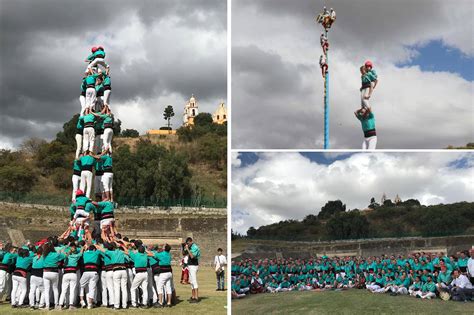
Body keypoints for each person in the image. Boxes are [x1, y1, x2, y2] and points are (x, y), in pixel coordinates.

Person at [42, 242, 66, 310]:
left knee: (46, 290)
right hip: (54, 272)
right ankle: (56, 304)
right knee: (55, 289)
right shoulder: (57, 254)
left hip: (46, 272)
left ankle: (47, 306)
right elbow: (64, 256)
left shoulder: (44, 255)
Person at [58, 243, 83, 309]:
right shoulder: (76, 256)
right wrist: (82, 247)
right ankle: (71, 305)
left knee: (63, 290)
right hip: (73, 274)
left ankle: (60, 304)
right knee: (72, 290)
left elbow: (63, 251)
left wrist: (68, 246)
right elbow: (81, 253)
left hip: (66, 273)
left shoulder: (66, 256)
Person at [185, 237, 200, 303]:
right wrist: (185, 248)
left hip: (194, 265)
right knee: (191, 281)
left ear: (191, 241)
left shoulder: (195, 247)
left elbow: (192, 256)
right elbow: (184, 253)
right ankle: (193, 296)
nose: (188, 245)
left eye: (188, 243)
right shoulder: (190, 247)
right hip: (190, 265)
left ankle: (196, 298)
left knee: (194, 281)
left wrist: (188, 249)